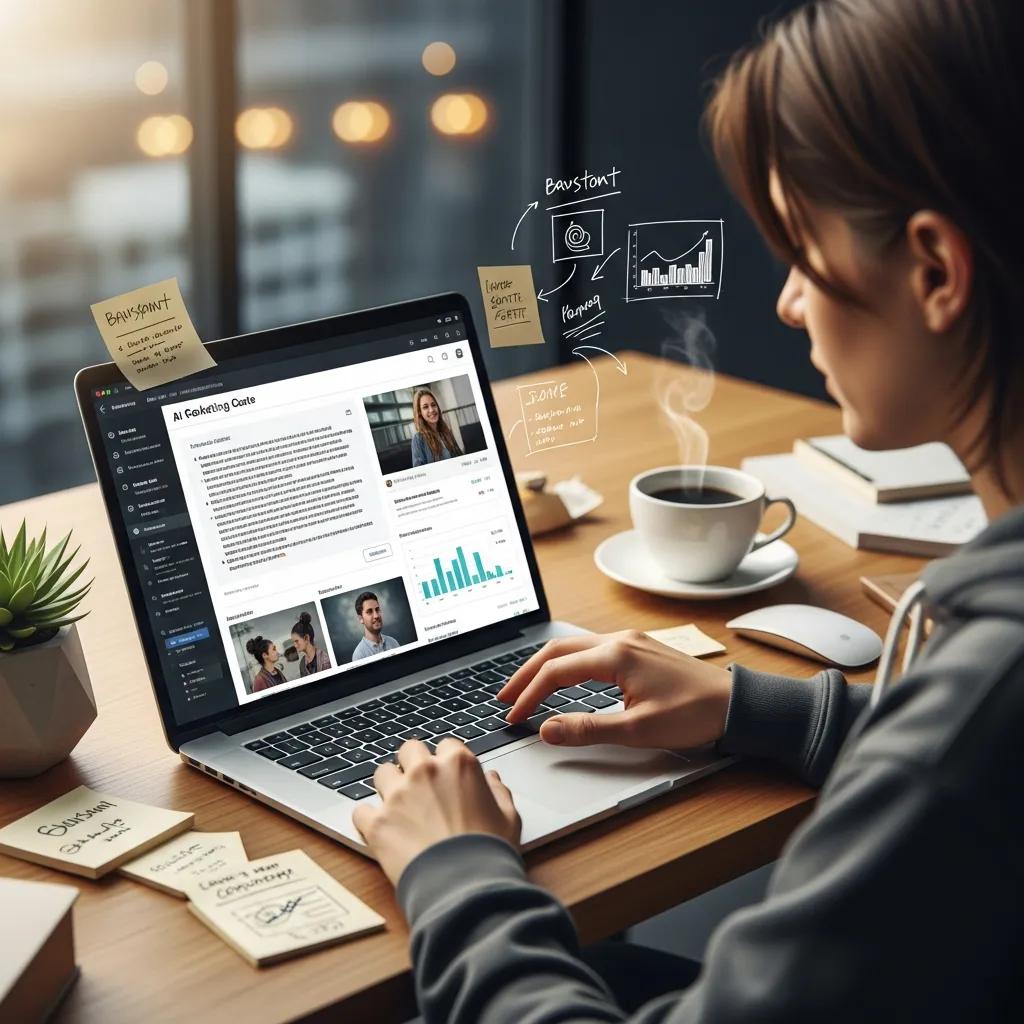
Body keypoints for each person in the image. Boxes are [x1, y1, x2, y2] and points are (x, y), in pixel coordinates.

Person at [351, 1, 1024, 1020]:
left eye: (802, 251)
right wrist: (754, 709)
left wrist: (457, 872)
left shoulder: (980, 704)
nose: (789, 303)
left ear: (934, 270)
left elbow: (958, 761)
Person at [410, 387, 463, 466]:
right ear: (420, 412)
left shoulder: (446, 432)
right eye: (425, 407)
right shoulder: (418, 439)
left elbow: (460, 457)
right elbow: (420, 472)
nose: (431, 410)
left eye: (433, 405)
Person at [350, 591, 401, 661]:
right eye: (369, 612)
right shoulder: (359, 655)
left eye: (377, 610)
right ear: (361, 619)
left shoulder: (393, 643)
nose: (376, 615)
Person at [290, 611, 330, 677]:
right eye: (293, 642)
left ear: (306, 638)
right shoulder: (302, 663)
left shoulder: (325, 661)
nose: (295, 645)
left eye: (296, 641)